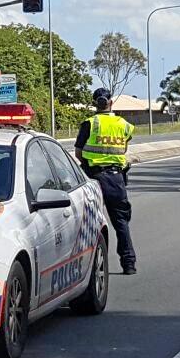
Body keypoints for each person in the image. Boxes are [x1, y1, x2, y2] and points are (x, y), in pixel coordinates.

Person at [76, 88, 138, 274]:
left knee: (89, 223)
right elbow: (124, 149)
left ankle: (87, 268)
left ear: (95, 102)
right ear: (111, 102)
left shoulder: (90, 123)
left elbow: (79, 153)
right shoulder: (123, 124)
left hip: (92, 178)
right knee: (120, 222)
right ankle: (129, 264)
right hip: (116, 178)